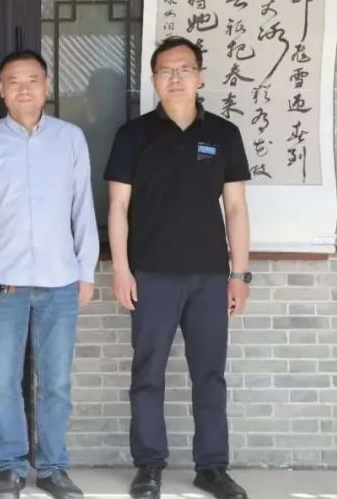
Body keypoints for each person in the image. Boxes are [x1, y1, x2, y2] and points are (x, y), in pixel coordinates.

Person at [104, 36, 251, 499]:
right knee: (148, 373)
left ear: (200, 77)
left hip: (209, 276)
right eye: (166, 70)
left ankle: (212, 467)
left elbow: (236, 208)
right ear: (153, 80)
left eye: (185, 69)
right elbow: (117, 206)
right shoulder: (133, 135)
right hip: (151, 274)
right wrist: (121, 269)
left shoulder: (224, 134)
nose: (176, 77)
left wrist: (239, 273)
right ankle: (149, 465)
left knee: (209, 373)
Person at [0, 50, 99, 499]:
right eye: (14, 81)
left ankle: (54, 467)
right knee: (3, 382)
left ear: (47, 85)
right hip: (3, 280)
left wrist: (86, 271)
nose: (24, 89)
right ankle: (11, 467)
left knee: (56, 382)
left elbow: (83, 208)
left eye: (32, 80)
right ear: (1, 90)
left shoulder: (70, 138)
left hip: (61, 279)